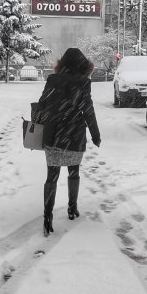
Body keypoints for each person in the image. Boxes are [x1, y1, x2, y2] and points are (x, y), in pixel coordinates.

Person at [34, 47, 101, 236]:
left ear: (62, 63)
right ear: (82, 65)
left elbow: (42, 104)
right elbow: (88, 110)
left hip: (54, 134)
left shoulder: (53, 80)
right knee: (74, 172)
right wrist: (95, 134)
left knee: (52, 176)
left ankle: (47, 215)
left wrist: (37, 125)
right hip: (74, 135)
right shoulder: (83, 83)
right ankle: (72, 208)